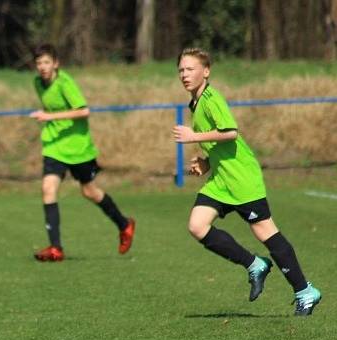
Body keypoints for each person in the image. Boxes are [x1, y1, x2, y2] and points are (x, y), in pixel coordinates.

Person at [172, 47, 321, 316]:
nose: (184, 74)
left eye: (190, 69)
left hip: (241, 178)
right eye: (181, 70)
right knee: (197, 225)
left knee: (265, 232)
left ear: (206, 72)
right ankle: (254, 264)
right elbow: (218, 142)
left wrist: (193, 138)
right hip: (221, 180)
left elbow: (230, 132)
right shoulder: (195, 103)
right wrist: (205, 162)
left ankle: (304, 291)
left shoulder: (211, 97)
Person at [30, 43, 135, 262]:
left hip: (78, 148)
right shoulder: (38, 83)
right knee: (48, 189)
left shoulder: (65, 83)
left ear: (56, 63)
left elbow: (84, 111)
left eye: (47, 62)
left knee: (90, 192)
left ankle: (124, 224)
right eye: (39, 63)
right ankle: (56, 248)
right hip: (54, 146)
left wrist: (50, 117)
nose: (42, 67)